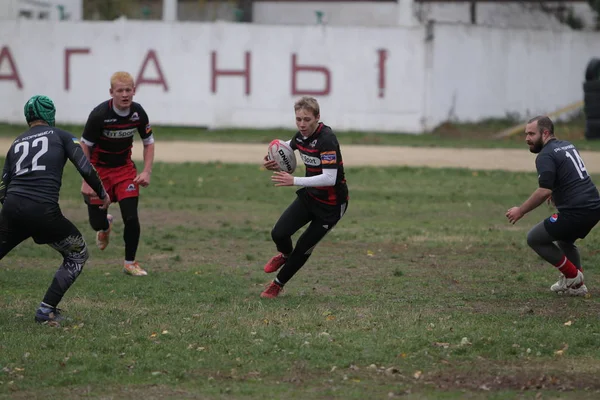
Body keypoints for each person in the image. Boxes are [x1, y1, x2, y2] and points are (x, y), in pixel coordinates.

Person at [0, 95, 110, 324]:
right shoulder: (62, 136)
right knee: (77, 253)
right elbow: (85, 167)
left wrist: (16, 216)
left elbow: (3, 187)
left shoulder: (16, 142)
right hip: (43, 211)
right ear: (50, 114)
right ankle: (45, 310)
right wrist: (102, 194)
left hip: (12, 209)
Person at [261, 96, 349, 298]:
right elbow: (285, 148)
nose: (302, 124)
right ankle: (284, 254)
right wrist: (270, 160)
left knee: (303, 247)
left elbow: (330, 177)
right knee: (279, 233)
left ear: (317, 118)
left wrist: (294, 181)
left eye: (307, 119)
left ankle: (277, 284)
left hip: (331, 206)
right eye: (298, 119)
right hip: (310, 197)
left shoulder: (327, 139)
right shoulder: (301, 136)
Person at [506, 115, 600, 296]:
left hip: (576, 210)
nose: (527, 138)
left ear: (546, 133)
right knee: (564, 240)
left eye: (532, 134)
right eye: (526, 134)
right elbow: (570, 176)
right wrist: (557, 193)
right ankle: (577, 287)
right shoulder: (567, 145)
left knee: (535, 238)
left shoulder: (545, 155)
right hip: (593, 206)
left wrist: (521, 210)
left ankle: (573, 276)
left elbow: (543, 190)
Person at [80, 71, 155, 277]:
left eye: (128, 90)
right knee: (96, 222)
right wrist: (87, 179)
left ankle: (129, 263)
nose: (124, 94)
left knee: (131, 217)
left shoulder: (138, 113)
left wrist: (146, 171)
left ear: (134, 91)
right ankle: (106, 225)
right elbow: (84, 146)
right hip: (99, 171)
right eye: (120, 90)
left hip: (124, 171)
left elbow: (148, 143)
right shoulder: (99, 115)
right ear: (111, 92)